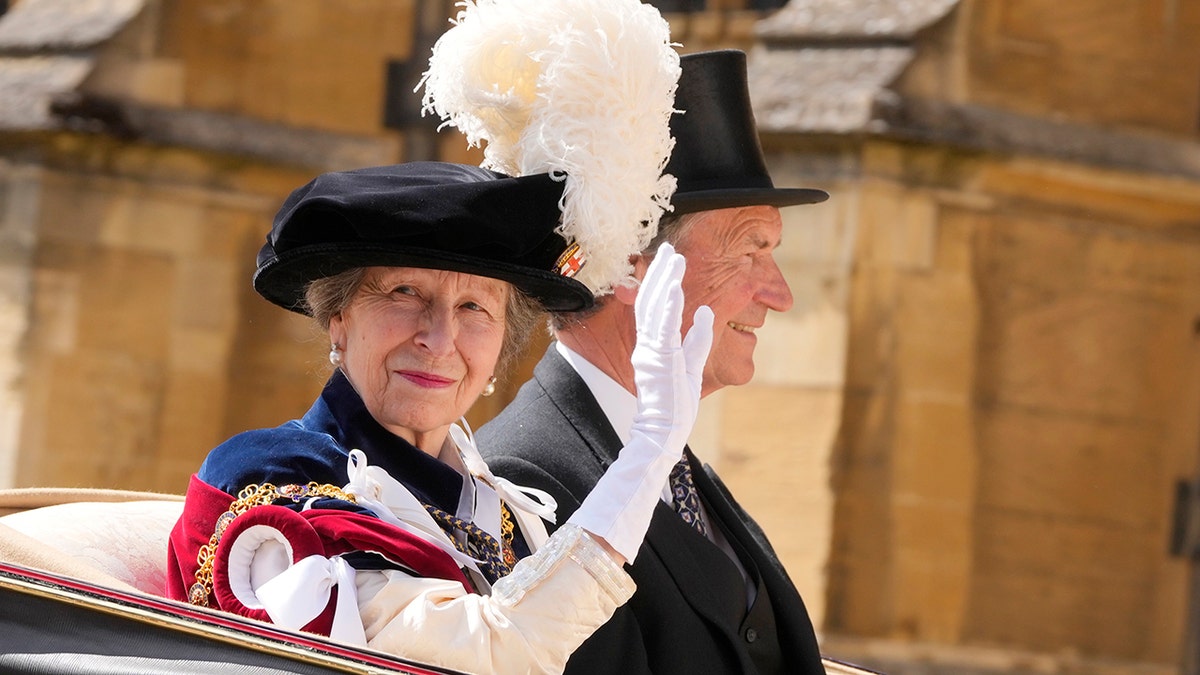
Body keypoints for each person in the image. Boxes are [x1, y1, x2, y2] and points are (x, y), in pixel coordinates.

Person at [165, 161, 715, 675]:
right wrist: (648, 452)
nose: (439, 339)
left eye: (474, 307)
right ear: (338, 317)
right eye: (405, 293)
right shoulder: (273, 478)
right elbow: (486, 654)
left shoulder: (501, 508)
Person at [475, 50, 831, 674]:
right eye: (750, 251)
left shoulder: (685, 472)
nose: (780, 294)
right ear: (632, 268)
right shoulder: (519, 480)